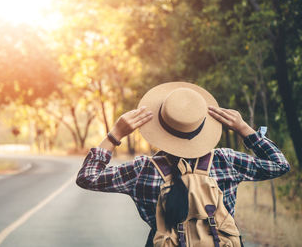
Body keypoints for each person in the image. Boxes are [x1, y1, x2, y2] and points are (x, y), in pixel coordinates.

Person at [76, 82, 290, 247]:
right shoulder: (226, 161)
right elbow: (279, 164)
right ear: (203, 125)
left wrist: (115, 135)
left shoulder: (142, 170)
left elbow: (87, 177)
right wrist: (244, 129)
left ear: (160, 126)